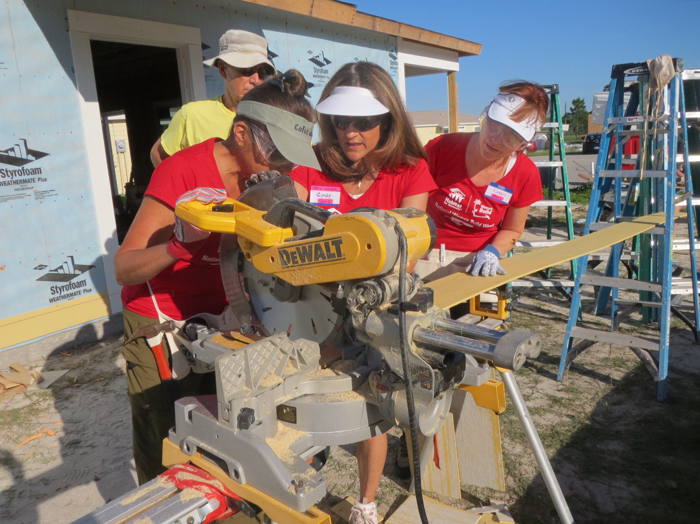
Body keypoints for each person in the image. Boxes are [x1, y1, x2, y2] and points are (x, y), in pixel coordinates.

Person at [115, 71, 319, 485]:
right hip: (163, 321)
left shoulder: (278, 179)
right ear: (241, 132)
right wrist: (177, 246)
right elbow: (124, 267)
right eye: (277, 154)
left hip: (231, 315)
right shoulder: (182, 171)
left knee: (225, 435)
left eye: (294, 155)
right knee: (166, 438)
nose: (287, 166)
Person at [290, 61, 436, 524]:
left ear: (389, 119)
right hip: (308, 310)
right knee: (298, 403)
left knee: (374, 407)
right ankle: (299, 485)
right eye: (340, 122)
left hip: (377, 308)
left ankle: (366, 501)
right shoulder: (307, 162)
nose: (350, 134)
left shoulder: (411, 172)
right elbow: (287, 239)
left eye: (364, 122)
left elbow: (407, 253)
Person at [416, 81, 548, 282]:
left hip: (477, 262)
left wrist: (492, 252)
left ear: (523, 144)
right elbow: (408, 197)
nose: (496, 140)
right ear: (485, 116)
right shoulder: (443, 148)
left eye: (511, 137)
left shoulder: (525, 174)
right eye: (494, 126)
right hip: (426, 252)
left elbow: (512, 229)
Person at [150, 29, 276, 167]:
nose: (256, 79)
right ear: (222, 69)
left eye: (263, 72)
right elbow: (158, 155)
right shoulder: (192, 115)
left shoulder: (274, 118)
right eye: (247, 69)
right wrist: (184, 187)